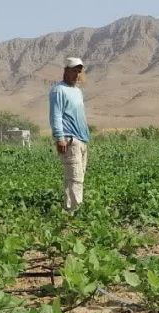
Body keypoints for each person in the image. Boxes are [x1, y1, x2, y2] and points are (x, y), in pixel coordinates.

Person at [49, 57, 92, 212]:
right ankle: (74, 212)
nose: (77, 74)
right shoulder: (58, 90)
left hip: (81, 139)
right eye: (74, 71)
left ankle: (71, 210)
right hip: (69, 139)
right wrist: (59, 138)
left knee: (77, 177)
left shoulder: (77, 91)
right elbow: (56, 115)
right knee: (75, 178)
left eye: (79, 71)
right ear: (66, 71)